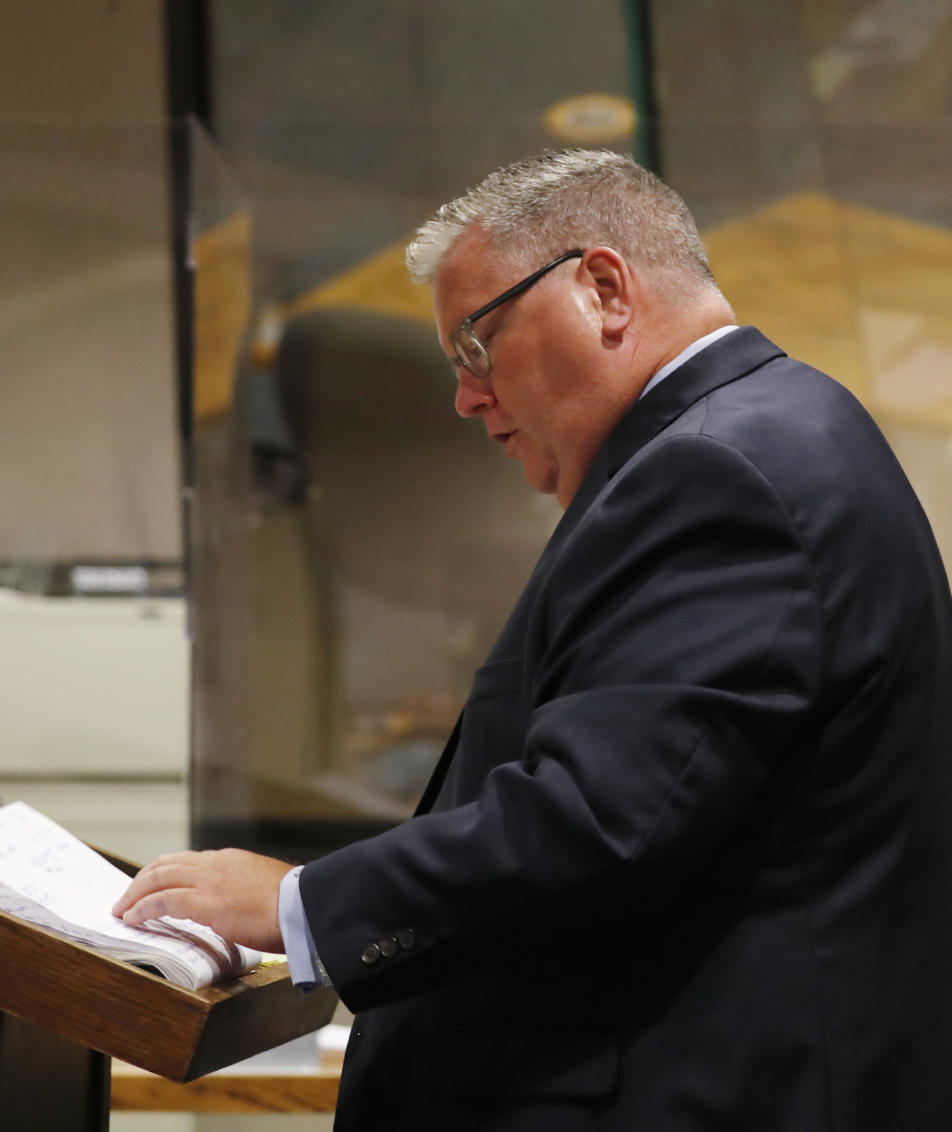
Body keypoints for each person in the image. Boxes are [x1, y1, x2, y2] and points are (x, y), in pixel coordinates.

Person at [114, 150, 952, 1131]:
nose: (467, 398)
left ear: (602, 287)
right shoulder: (758, 440)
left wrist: (299, 901)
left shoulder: (721, 469)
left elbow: (599, 823)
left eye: (477, 344)